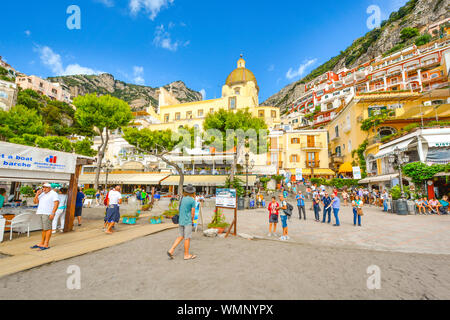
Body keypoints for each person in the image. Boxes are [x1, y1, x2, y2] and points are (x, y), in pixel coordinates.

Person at [167, 184, 197, 260]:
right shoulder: (192, 200)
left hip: (181, 220)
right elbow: (193, 213)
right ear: (192, 192)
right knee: (187, 238)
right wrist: (192, 220)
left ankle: (171, 250)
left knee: (181, 236)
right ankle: (186, 255)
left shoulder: (182, 198)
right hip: (187, 221)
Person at [31, 183, 60, 250]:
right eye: (43, 187)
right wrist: (37, 194)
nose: (44, 189)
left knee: (48, 228)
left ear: (50, 188)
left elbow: (56, 203)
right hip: (41, 213)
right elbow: (35, 202)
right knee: (44, 229)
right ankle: (42, 242)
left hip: (47, 213)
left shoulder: (53, 193)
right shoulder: (42, 194)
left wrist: (53, 213)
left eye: (46, 187)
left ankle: (46, 244)